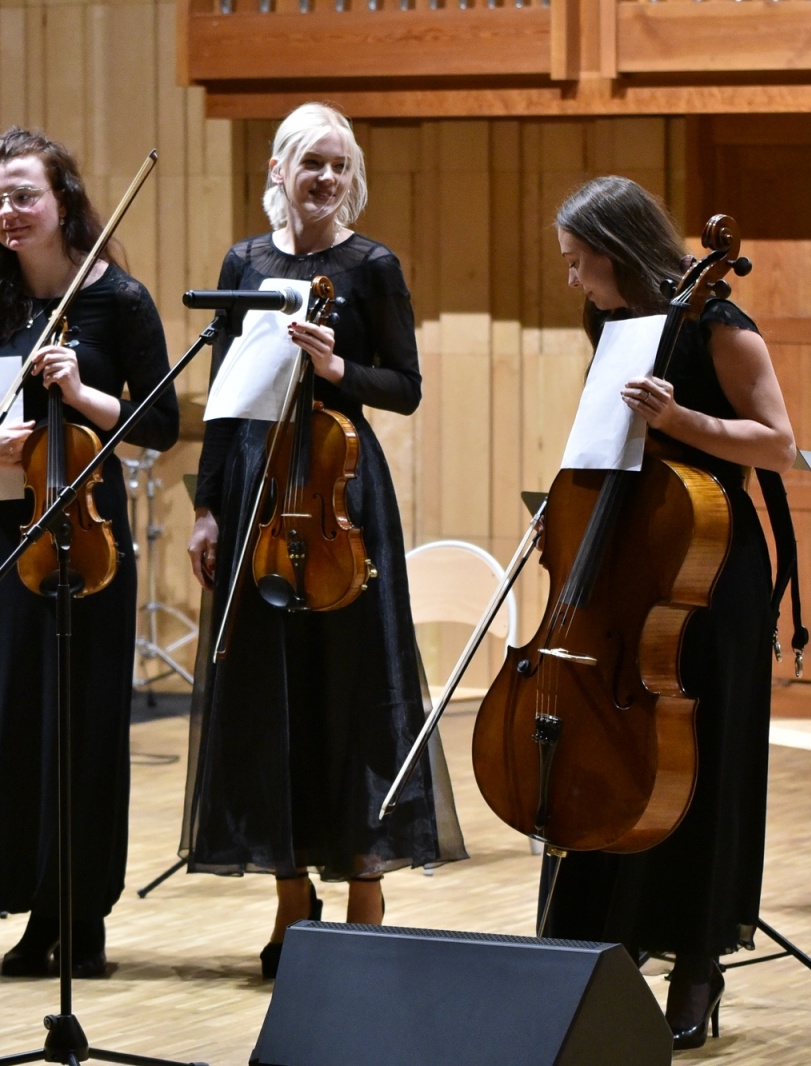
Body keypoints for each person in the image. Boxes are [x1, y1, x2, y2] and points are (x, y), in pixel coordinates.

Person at [181, 102, 466, 979]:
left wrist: (340, 368)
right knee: (270, 692)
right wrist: (207, 506)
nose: (328, 180)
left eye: (340, 166)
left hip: (340, 498)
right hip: (255, 493)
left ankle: (365, 887)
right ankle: (290, 897)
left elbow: (406, 387)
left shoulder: (370, 265)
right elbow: (229, 396)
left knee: (354, 689)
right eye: (313, 165)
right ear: (279, 171)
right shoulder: (248, 262)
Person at [543, 175, 797, 1050]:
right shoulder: (614, 325)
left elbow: (779, 444)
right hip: (630, 560)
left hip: (710, 566)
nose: (575, 279)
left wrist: (683, 418)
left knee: (709, 762)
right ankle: (597, 944)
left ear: (613, 254)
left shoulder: (722, 328)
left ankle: (697, 963)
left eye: (580, 263)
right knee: (625, 750)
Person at [0, 127, 178, 979]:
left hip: (89, 539)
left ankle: (80, 916)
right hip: (2, 529)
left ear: (63, 200)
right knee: (11, 725)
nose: (8, 212)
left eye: (23, 195)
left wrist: (80, 394)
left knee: (82, 727)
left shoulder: (123, 302)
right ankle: (31, 903)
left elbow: (160, 424)